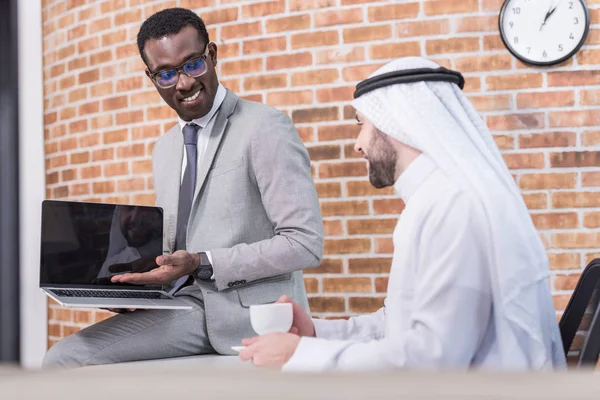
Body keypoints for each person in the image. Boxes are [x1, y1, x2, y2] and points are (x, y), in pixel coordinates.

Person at [239, 57, 566, 371]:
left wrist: (303, 355)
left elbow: (433, 358)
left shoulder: (455, 207)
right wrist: (316, 333)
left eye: (362, 125)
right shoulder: (435, 200)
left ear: (395, 123)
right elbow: (399, 323)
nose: (357, 144)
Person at [43, 7, 323, 367]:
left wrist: (201, 262)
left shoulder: (264, 127)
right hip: (179, 303)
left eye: (193, 64)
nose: (184, 83)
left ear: (213, 54)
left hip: (236, 314)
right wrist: (133, 286)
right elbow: (177, 253)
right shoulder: (165, 148)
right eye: (166, 74)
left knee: (65, 358)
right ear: (151, 77)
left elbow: (304, 243)